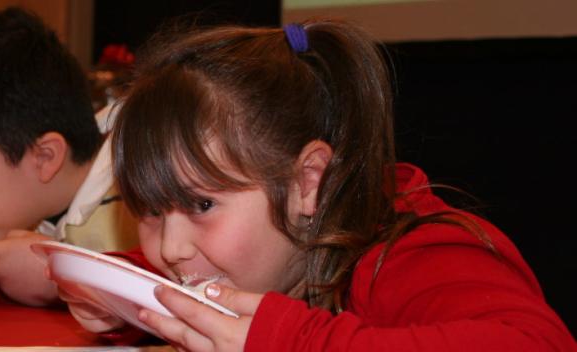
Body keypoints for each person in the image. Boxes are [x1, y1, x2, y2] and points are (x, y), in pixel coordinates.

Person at [59, 19, 577, 350]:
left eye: (200, 203)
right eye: (149, 209)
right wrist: (117, 293)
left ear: (308, 182)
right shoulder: (245, 254)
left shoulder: (409, 251)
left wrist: (288, 342)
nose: (170, 248)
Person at [0, 7, 139, 306]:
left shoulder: (136, 206)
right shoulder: (39, 204)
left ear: (44, 158)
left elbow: (176, 297)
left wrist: (60, 282)